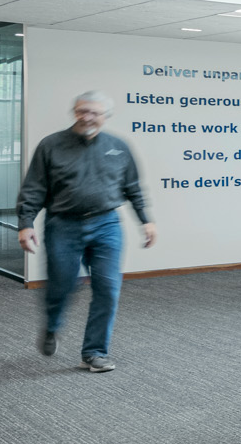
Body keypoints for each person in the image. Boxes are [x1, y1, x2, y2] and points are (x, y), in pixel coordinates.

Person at [16, 90, 154, 373]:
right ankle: (52, 325)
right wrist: (26, 223)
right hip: (63, 225)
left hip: (107, 226)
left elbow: (132, 188)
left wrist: (145, 220)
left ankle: (94, 353)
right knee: (62, 286)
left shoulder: (118, 146)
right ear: (75, 112)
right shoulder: (51, 145)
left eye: (94, 112)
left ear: (106, 117)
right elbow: (34, 188)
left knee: (108, 289)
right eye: (81, 111)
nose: (87, 117)